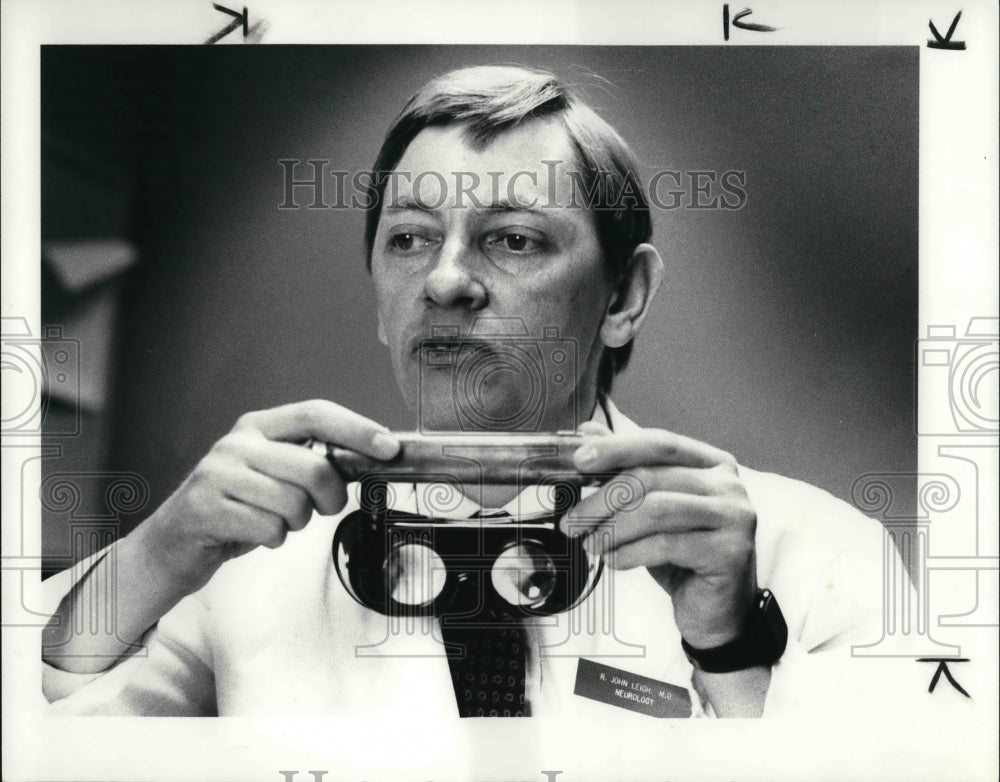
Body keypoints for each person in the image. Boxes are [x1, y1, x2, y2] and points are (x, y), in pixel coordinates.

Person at [40, 65, 922, 741]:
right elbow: (51, 736)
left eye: (513, 239)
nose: (447, 280)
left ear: (622, 299)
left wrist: (730, 651)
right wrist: (154, 552)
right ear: (380, 298)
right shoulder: (248, 570)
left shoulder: (820, 550)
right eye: (411, 240)